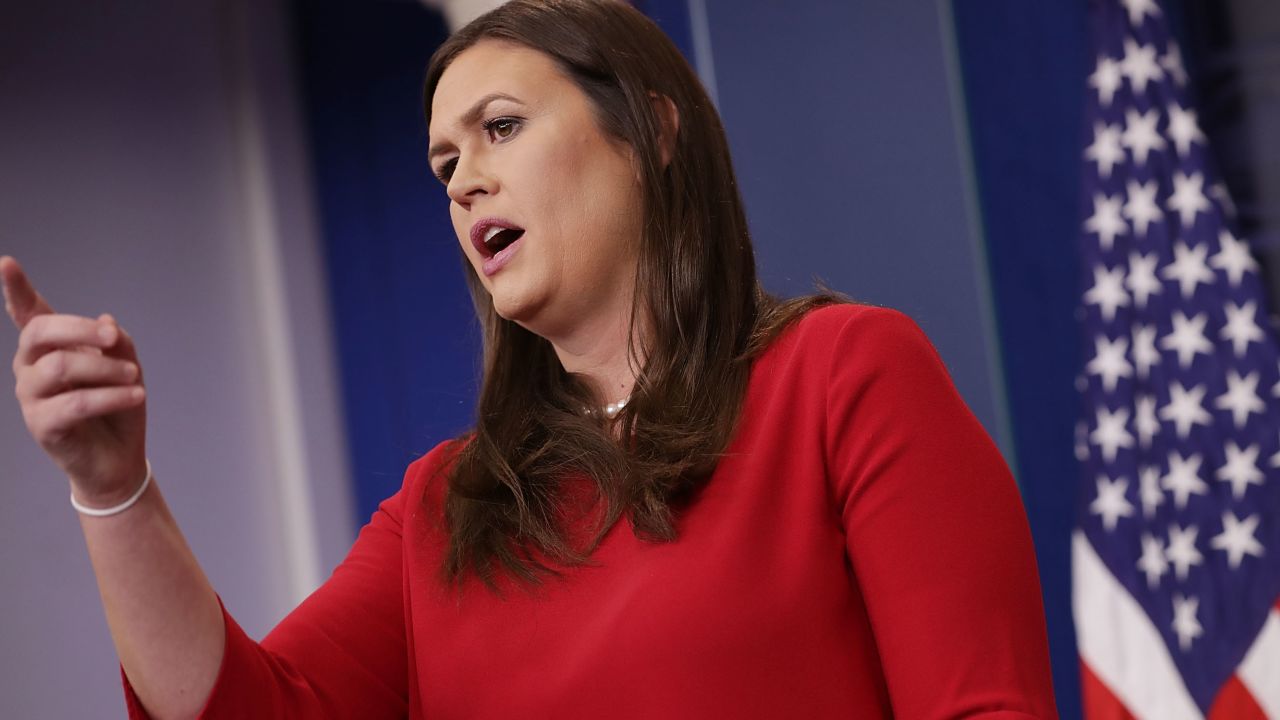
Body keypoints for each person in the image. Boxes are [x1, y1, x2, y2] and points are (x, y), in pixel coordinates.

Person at [1, 0, 1058, 717]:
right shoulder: (442, 508)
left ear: (649, 131)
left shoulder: (840, 375)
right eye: (442, 162)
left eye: (499, 129)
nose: (461, 182)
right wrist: (113, 487)